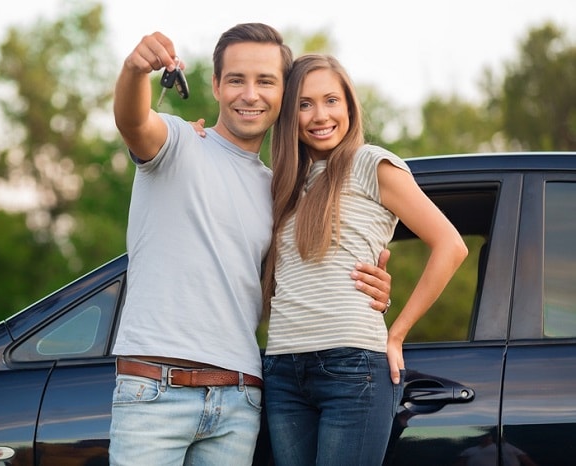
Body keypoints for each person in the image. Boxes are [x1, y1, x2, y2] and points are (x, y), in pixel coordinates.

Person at [110, 25, 391, 466]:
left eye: (266, 82)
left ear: (283, 95)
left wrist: (373, 287)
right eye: (237, 80)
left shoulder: (279, 191)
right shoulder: (180, 142)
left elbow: (303, 276)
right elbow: (132, 121)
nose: (251, 94)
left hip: (240, 399)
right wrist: (134, 70)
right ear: (217, 86)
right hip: (155, 390)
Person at [260, 54, 469, 466]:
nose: (320, 115)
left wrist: (397, 333)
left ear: (349, 106)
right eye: (304, 104)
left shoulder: (373, 164)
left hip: (353, 367)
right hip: (282, 370)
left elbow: (451, 245)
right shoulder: (282, 184)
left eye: (331, 100)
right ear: (289, 115)